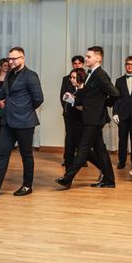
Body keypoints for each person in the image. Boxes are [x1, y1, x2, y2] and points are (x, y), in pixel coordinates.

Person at [0, 46, 44, 197]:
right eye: (9, 58)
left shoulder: (31, 75)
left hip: (25, 122)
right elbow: (2, 93)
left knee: (26, 155)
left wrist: (25, 111)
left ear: (22, 58)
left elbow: (39, 98)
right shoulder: (9, 75)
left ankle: (27, 186)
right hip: (8, 121)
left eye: (14, 59)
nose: (11, 61)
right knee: (2, 153)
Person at [55, 46, 120, 190]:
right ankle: (109, 180)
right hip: (91, 118)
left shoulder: (101, 75)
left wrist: (103, 105)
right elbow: (89, 96)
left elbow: (115, 94)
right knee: (100, 150)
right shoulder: (91, 73)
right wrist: (74, 100)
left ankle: (68, 177)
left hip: (94, 119)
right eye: (86, 56)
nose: (86, 59)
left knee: (83, 148)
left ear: (98, 58)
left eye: (89, 56)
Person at [60, 55, 84, 168]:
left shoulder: (87, 78)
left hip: (83, 113)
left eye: (79, 63)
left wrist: (77, 102)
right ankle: (68, 159)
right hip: (69, 112)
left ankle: (82, 159)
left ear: (83, 64)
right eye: (75, 63)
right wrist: (67, 109)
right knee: (69, 136)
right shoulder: (66, 79)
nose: (77, 65)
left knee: (82, 137)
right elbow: (62, 96)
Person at [0, 58, 9, 128]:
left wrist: (4, 101)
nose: (7, 67)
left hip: (7, 102)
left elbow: (10, 90)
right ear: (0, 67)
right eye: (4, 65)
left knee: (6, 123)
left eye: (8, 65)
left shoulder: (10, 77)